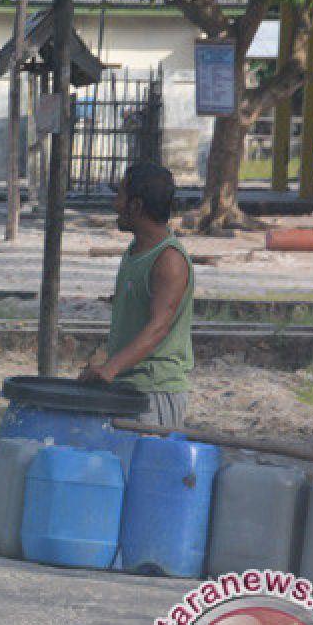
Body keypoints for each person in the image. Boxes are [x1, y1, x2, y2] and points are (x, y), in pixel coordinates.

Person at [79, 161, 193, 428]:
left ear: (137, 206)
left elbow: (158, 327)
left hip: (154, 394)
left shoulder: (168, 260)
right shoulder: (136, 251)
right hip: (127, 388)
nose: (115, 205)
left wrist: (109, 368)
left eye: (120, 196)